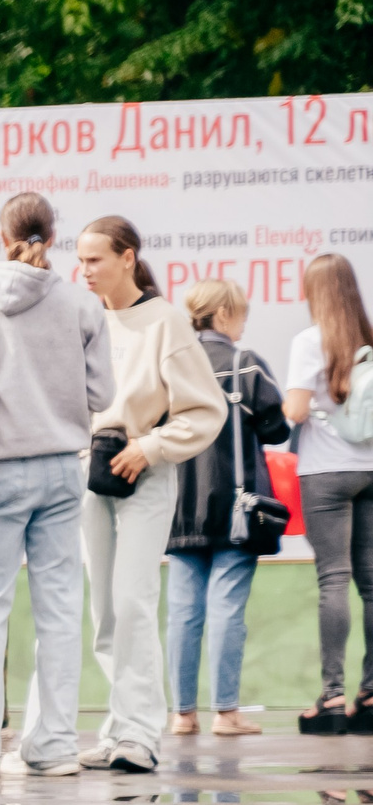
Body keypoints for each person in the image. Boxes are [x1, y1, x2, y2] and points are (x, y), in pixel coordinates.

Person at [0, 193, 114, 779]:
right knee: (60, 611)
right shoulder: (82, 305)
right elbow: (104, 395)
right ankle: (53, 746)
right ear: (53, 238)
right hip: (62, 470)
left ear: (1, 237)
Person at [75, 214, 225, 772]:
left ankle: (140, 734)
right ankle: (120, 727)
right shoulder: (85, 319)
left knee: (133, 601)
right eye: (80, 259)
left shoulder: (165, 322)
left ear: (127, 258)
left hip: (144, 473)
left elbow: (205, 410)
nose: (84, 270)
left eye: (94, 259)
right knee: (104, 610)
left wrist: (151, 447)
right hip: (90, 473)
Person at [168, 278, 285, 737]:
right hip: (238, 508)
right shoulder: (245, 364)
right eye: (241, 315)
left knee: (182, 611)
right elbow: (276, 428)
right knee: (226, 608)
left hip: (180, 508)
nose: (243, 325)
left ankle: (182, 714)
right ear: (223, 314)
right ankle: (226, 713)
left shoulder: (172, 363)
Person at [281, 253, 373, 732]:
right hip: (370, 469)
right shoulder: (368, 340)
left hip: (326, 472)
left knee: (333, 579)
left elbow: (295, 411)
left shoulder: (309, 341)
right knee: (371, 584)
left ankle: (332, 696)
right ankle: (371, 694)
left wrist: (288, 406)